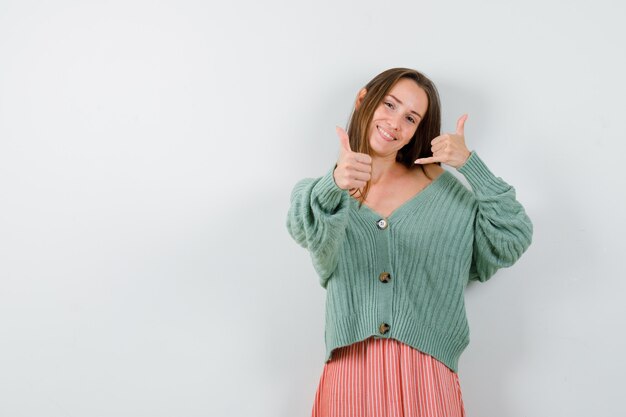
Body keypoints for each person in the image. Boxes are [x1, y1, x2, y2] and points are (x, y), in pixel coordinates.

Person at [286, 68, 533, 417]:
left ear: (418, 130)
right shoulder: (322, 194)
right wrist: (333, 183)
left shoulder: (445, 194)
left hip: (428, 376)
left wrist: (470, 165)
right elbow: (307, 233)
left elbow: (512, 237)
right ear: (363, 100)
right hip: (350, 373)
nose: (395, 122)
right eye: (389, 104)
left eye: (411, 117)